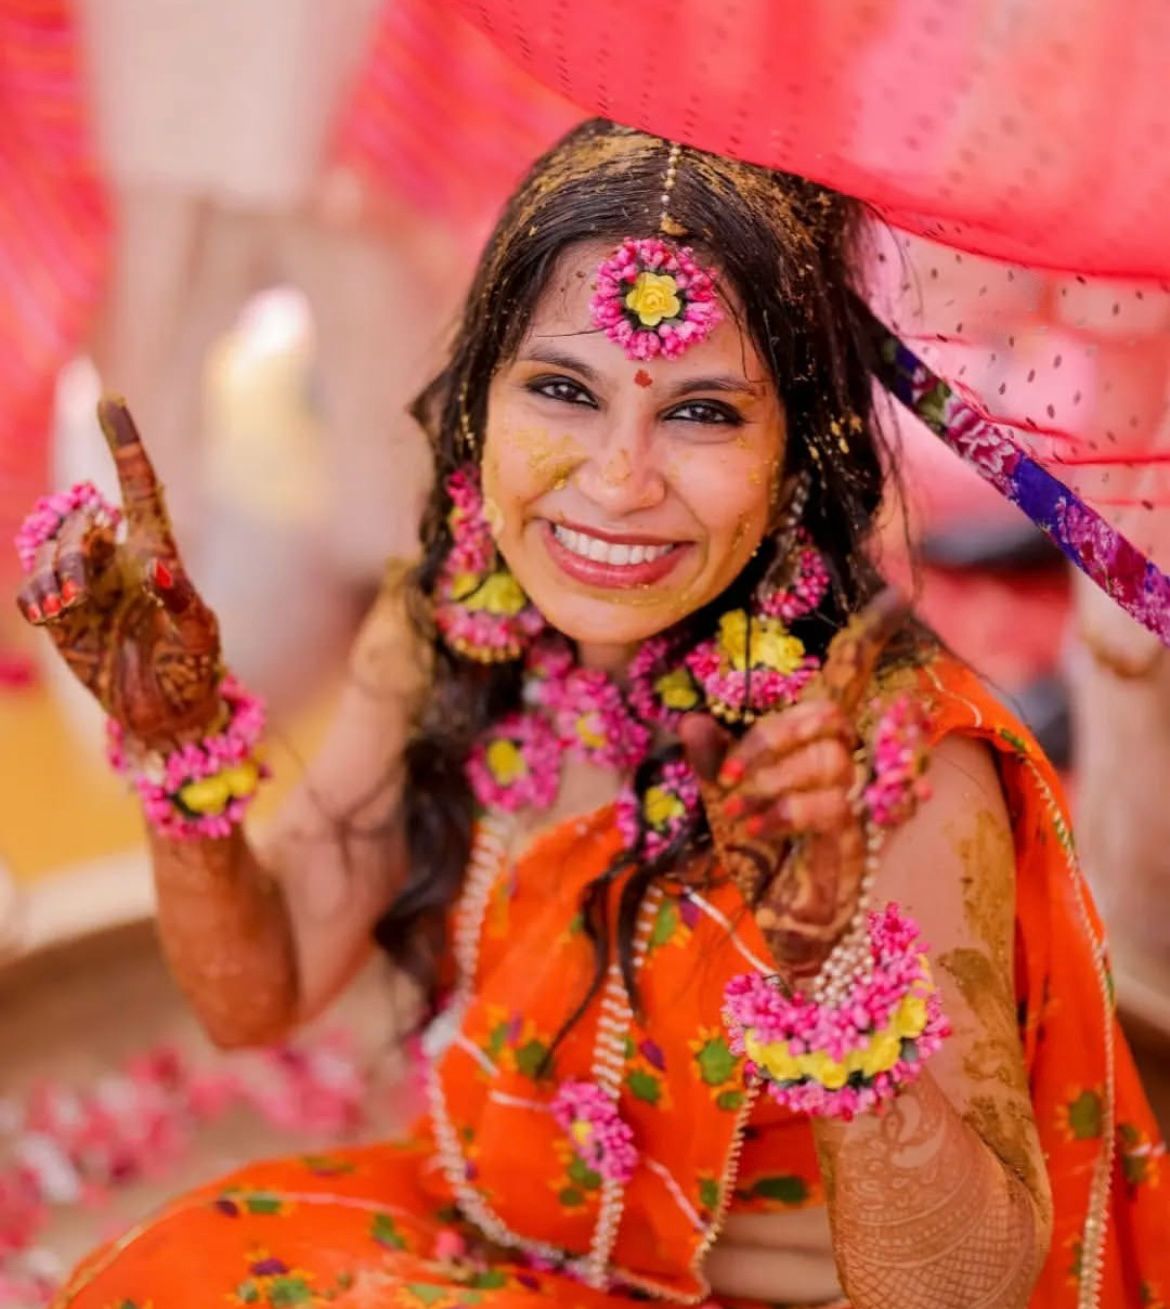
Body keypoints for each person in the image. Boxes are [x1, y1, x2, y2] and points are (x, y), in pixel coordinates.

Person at [14, 121, 1167, 1309]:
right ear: (479, 403)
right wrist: (170, 736)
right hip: (496, 1255)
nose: (618, 479)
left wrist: (826, 975)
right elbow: (260, 993)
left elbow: (962, 1296)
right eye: (564, 390)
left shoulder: (880, 764)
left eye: (704, 413)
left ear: (800, 457)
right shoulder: (451, 624)